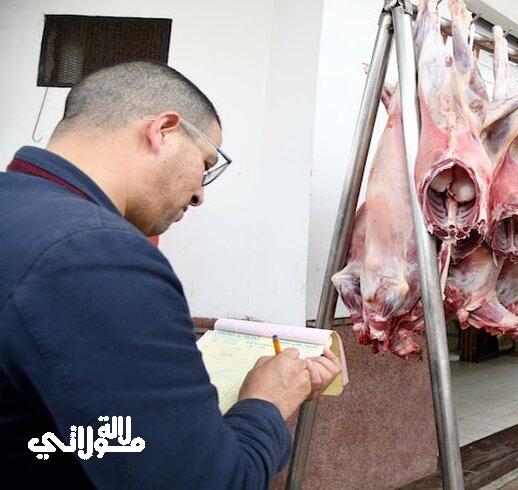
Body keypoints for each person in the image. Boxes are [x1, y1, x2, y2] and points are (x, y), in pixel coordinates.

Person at [0, 61, 342, 488]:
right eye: (206, 164)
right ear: (162, 130)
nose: (199, 195)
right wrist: (267, 403)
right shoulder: (98, 254)